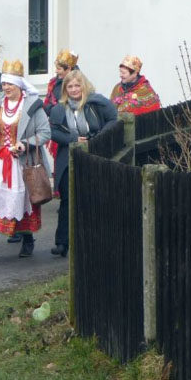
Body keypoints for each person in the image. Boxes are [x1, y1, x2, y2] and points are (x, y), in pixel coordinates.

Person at [0, 59, 52, 258]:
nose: (6, 87)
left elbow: (45, 133)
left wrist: (25, 144)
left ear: (19, 84)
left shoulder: (32, 105)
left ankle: (27, 239)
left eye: (10, 84)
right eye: (4, 84)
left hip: (21, 165)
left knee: (22, 201)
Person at [48, 70, 118, 258]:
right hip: (68, 158)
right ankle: (62, 242)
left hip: (94, 155)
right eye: (69, 86)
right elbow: (52, 132)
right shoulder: (59, 109)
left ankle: (93, 240)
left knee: (92, 198)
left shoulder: (97, 103)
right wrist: (72, 138)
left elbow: (113, 119)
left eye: (77, 85)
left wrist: (98, 138)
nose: (73, 90)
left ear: (83, 85)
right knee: (67, 201)